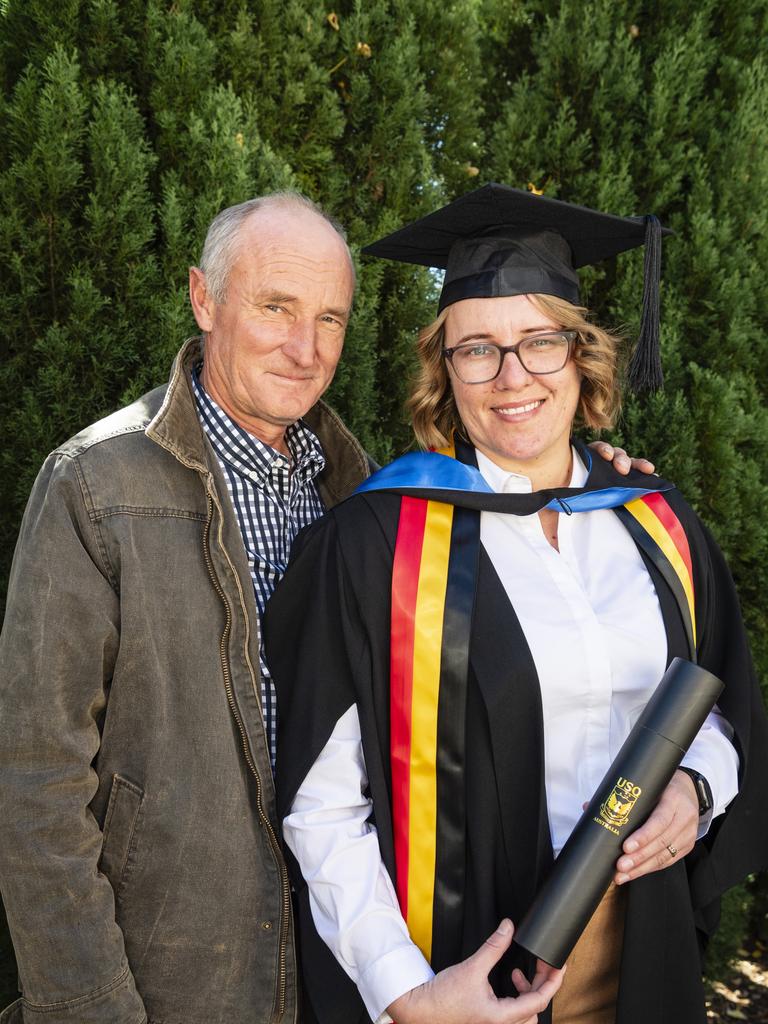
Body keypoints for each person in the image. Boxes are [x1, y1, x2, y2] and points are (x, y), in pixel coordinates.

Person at [0, 187, 645, 1024]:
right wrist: (90, 1010)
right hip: (173, 977)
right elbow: (36, 783)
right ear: (204, 297)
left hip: (335, 977)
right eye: (276, 307)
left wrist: (596, 490)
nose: (306, 348)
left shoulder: (366, 499)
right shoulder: (100, 486)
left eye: (331, 319)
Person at [267, 184, 768, 1024]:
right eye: (477, 350)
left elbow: (726, 707)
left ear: (581, 354)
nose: (512, 377)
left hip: (645, 952)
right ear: (443, 369)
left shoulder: (657, 524)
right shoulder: (375, 547)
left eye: (540, 342)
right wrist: (407, 995)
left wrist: (697, 789)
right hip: (467, 977)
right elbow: (321, 808)